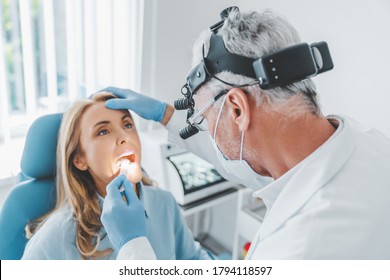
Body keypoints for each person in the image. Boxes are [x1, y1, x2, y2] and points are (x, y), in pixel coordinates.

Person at [100, 7, 390, 259]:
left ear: (237, 108)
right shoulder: (367, 142)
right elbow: (260, 164)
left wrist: (133, 246)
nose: (208, 131)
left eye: (203, 118)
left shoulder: (301, 250)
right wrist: (166, 115)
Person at [21, 92, 214, 260]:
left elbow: (193, 259)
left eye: (128, 125)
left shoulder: (165, 203)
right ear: (80, 159)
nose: (125, 136)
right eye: (103, 131)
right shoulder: (58, 235)